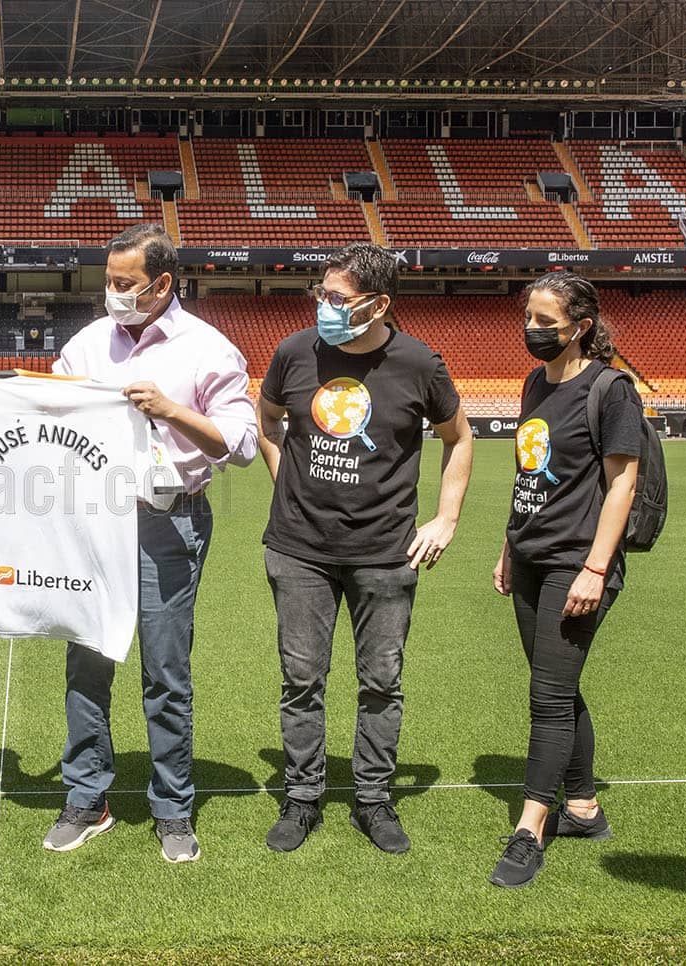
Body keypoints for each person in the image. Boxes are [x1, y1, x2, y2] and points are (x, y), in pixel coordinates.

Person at [0, 222, 260, 863]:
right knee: (87, 662)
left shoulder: (208, 350)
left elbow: (241, 445)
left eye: (126, 284)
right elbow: (50, 408)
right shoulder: (89, 343)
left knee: (165, 671)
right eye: (109, 282)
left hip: (167, 521)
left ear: (163, 283)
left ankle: (173, 809)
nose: (113, 294)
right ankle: (84, 797)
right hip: (91, 521)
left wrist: (173, 410)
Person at [256, 242, 473, 856]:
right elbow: (266, 419)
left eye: (338, 298)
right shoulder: (294, 352)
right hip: (298, 549)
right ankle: (302, 799)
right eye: (321, 294)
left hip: (386, 552)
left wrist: (446, 518)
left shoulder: (419, 364)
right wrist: (285, 481)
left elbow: (459, 440)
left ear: (378, 305)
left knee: (381, 680)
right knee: (302, 678)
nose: (324, 305)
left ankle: (373, 801)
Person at [488, 273, 640, 889]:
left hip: (577, 563)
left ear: (579, 326)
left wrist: (596, 569)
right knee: (556, 683)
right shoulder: (534, 382)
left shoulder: (610, 390)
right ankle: (584, 807)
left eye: (545, 322)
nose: (532, 329)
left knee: (548, 696)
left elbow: (622, 483)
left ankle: (530, 829)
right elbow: (532, 470)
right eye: (528, 316)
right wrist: (507, 543)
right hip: (529, 555)